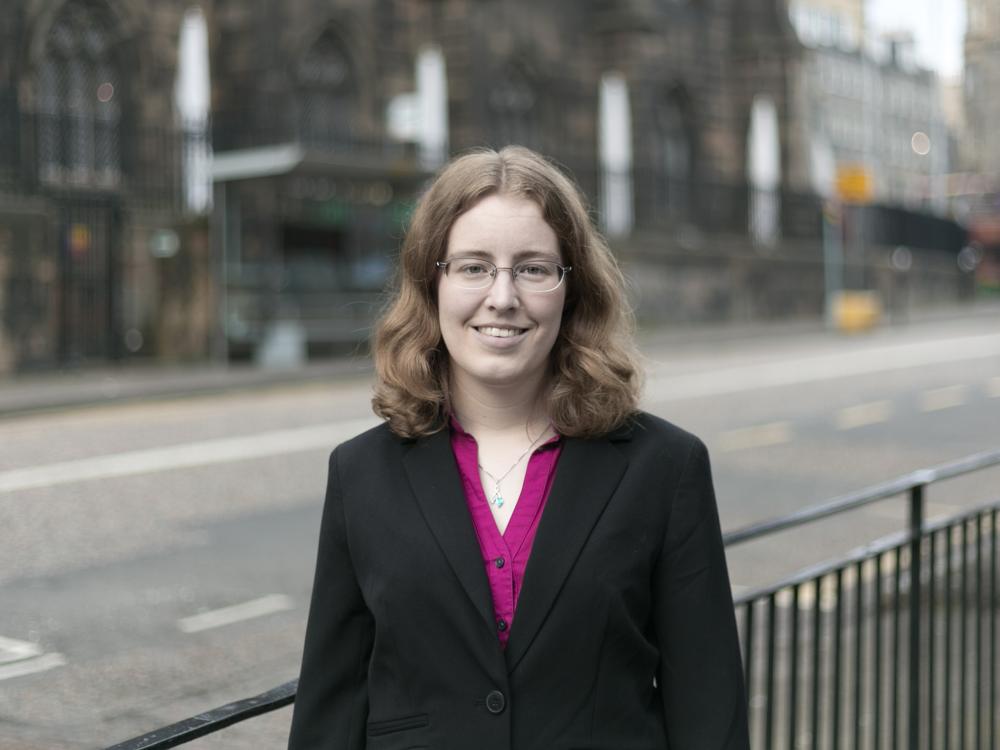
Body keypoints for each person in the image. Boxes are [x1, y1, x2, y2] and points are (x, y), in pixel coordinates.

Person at [287, 146, 749, 750]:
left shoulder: (665, 467)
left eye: (533, 268)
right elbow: (331, 706)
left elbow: (708, 708)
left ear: (571, 289)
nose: (502, 297)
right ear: (434, 283)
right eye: (474, 267)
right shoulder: (359, 474)